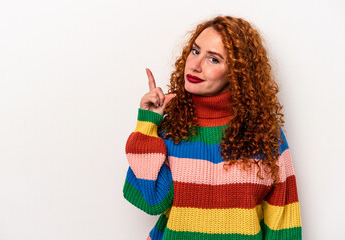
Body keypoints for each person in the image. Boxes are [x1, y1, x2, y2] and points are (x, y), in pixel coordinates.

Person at [123, 15, 302, 240]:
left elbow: (284, 224)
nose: (195, 65)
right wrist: (147, 124)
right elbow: (150, 201)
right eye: (195, 51)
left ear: (237, 73)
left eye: (213, 59)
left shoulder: (265, 137)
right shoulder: (171, 129)